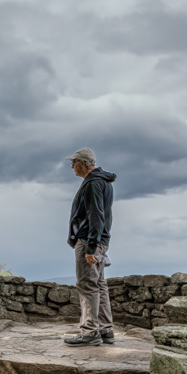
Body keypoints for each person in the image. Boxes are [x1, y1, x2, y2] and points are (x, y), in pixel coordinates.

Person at [64, 148, 117, 347]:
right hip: (100, 240)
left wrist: (90, 247)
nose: (72, 166)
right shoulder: (103, 182)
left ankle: (89, 332)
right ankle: (105, 330)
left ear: (83, 163)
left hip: (89, 241)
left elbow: (96, 215)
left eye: (74, 162)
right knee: (99, 285)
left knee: (87, 285)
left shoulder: (93, 183)